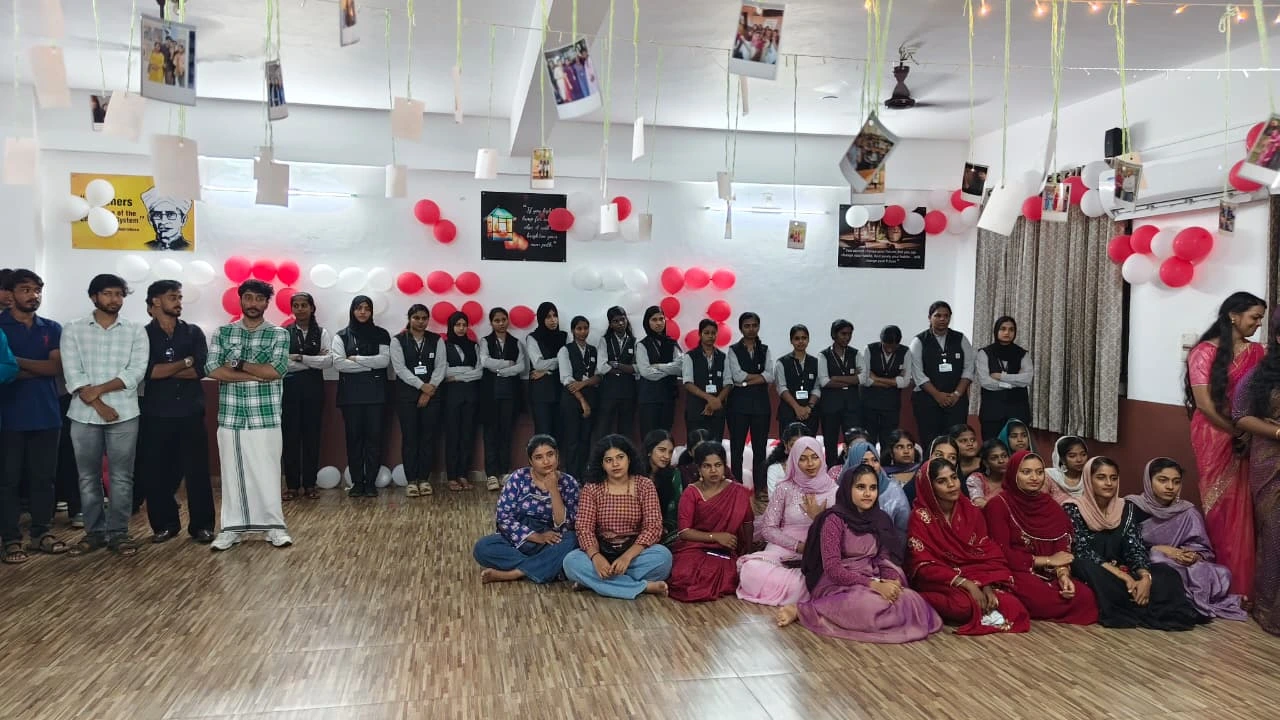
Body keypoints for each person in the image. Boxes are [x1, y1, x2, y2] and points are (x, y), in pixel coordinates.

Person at [776, 464, 941, 643]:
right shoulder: (833, 520)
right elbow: (832, 569)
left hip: (872, 577)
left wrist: (891, 581)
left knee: (910, 599)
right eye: (861, 487)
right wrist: (873, 585)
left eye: (873, 488)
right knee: (870, 604)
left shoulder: (880, 519)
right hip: (837, 583)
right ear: (848, 488)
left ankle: (879, 616)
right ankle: (804, 610)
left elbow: (883, 559)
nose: (868, 494)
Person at [1183, 291, 1266, 598]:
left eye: (1261, 318)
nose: (1258, 324)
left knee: (1248, 506)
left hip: (1250, 434)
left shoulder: (1258, 352)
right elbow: (1204, 404)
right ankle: (1219, 583)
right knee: (1222, 505)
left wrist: (1250, 430)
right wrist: (1236, 431)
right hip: (1214, 434)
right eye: (1254, 317)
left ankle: (1245, 586)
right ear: (1233, 315)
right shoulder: (1203, 352)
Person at [61, 274, 148, 557]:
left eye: (119, 294)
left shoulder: (135, 330)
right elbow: (72, 373)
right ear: (94, 296)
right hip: (83, 415)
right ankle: (94, 533)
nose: (115, 299)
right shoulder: (73, 329)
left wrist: (98, 390)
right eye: (108, 293)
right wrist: (100, 405)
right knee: (88, 478)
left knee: (122, 477)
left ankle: (119, 533)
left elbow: (135, 372)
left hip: (125, 413)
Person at [1063, 457, 1204, 630]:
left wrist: (1145, 577)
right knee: (1084, 565)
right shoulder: (1073, 508)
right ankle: (1132, 608)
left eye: (1113, 478)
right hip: (1096, 568)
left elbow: (1134, 546)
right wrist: (1124, 576)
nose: (1109, 483)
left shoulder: (1125, 507)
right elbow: (1082, 550)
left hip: (1123, 567)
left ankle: (1151, 608)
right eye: (1101, 477)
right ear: (1088, 479)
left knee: (1166, 572)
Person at [205, 280, 292, 551]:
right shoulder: (223, 332)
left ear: (267, 303)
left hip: (265, 415)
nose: (253, 304)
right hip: (231, 416)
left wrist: (238, 365)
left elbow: (275, 371)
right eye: (249, 298)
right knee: (232, 474)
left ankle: (274, 528)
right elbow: (212, 368)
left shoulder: (279, 334)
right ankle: (231, 529)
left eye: (259, 299)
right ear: (240, 300)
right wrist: (255, 374)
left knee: (268, 472)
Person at [906, 458, 1031, 634]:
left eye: (954, 477)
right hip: (940, 580)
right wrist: (967, 584)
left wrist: (986, 585)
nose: (951, 485)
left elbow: (986, 552)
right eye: (942, 481)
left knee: (1011, 605)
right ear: (929, 487)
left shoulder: (971, 511)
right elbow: (923, 565)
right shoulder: (920, 517)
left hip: (976, 574)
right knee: (962, 606)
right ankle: (914, 599)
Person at [982, 451, 1099, 625]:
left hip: (1050, 573)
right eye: (1026, 472)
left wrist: (1063, 575)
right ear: (1013, 474)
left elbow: (1062, 547)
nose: (1034, 478)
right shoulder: (998, 505)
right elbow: (1001, 553)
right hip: (1016, 570)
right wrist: (1047, 560)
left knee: (1085, 596)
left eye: (1039, 472)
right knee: (1039, 598)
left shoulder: (1050, 505)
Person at [138, 280, 215, 544]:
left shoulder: (193, 332)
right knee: (157, 472)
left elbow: (201, 369)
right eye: (173, 297)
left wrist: (166, 370)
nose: (179, 302)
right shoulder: (142, 336)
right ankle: (165, 525)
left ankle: (202, 526)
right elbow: (148, 372)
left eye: (180, 297)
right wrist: (185, 361)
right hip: (156, 413)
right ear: (155, 301)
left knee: (198, 472)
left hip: (191, 411)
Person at [1126, 458, 1247, 620]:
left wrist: (1192, 555)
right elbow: (1124, 544)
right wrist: (1160, 548)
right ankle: (1196, 601)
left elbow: (1202, 548)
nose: (1170, 487)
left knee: (1222, 573)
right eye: (1163, 480)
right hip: (1147, 561)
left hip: (1181, 563)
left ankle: (1193, 599)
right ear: (1149, 481)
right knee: (1158, 558)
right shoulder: (1131, 507)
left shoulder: (1188, 512)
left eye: (1176, 482)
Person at [0, 269, 65, 562]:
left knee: (44, 479)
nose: (33, 295)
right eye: (26, 289)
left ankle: (42, 533)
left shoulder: (51, 327)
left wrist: (12, 363)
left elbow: (55, 368)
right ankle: (11, 540)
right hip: (8, 416)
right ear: (10, 294)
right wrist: (31, 368)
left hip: (46, 414)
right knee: (8, 481)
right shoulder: (1, 327)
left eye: (38, 290)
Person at [561, 435, 672, 599]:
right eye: (609, 460)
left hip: (634, 553)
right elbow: (584, 528)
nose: (615, 464)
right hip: (602, 550)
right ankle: (643, 587)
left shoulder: (645, 485)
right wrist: (596, 557)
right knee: (571, 562)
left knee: (663, 557)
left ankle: (594, 582)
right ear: (602, 464)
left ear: (629, 459)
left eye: (620, 457)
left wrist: (627, 557)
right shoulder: (592, 488)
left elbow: (653, 527)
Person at [737, 437, 836, 606]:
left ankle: (802, 589)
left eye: (814, 457)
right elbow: (768, 528)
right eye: (803, 459)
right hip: (783, 547)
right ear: (794, 460)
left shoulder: (835, 490)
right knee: (751, 569)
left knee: (826, 575)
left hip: (819, 549)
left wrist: (817, 518)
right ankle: (806, 591)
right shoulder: (785, 488)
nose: (810, 463)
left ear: (822, 457)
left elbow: (840, 530)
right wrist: (798, 546)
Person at [473, 434, 580, 584]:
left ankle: (515, 573)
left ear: (557, 456)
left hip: (551, 541)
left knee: (573, 539)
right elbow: (503, 518)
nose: (546, 461)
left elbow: (567, 525)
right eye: (539, 457)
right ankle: (547, 567)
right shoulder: (518, 478)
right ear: (530, 461)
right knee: (483, 548)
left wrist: (554, 490)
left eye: (550, 455)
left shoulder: (569, 483)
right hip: (521, 539)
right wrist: (537, 537)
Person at [1233, 324, 1280, 633]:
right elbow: (1240, 414)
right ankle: (1270, 612)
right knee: (1276, 536)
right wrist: (1277, 432)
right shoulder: (1261, 374)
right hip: (1271, 463)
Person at [668, 442, 755, 602]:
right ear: (699, 468)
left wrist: (748, 552)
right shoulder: (691, 492)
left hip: (725, 549)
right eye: (707, 466)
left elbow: (747, 523)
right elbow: (684, 532)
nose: (713, 470)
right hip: (694, 546)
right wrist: (715, 537)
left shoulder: (738, 491)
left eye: (718, 465)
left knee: (723, 574)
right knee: (684, 574)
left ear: (724, 466)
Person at [331, 295, 391, 498]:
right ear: (352, 311)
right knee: (354, 439)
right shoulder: (341, 336)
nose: (363, 312)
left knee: (374, 439)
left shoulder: (381, 334)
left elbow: (384, 361)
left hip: (376, 396)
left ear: (372, 311)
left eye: (367, 308)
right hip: (351, 397)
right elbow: (339, 364)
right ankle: (357, 482)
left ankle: (371, 482)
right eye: (359, 308)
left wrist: (356, 359)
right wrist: (370, 366)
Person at [390, 304, 445, 498]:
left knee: (428, 438)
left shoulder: (436, 340)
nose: (421, 322)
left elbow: (441, 366)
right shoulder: (398, 340)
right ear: (409, 318)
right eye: (416, 318)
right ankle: (411, 480)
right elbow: (400, 369)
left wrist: (429, 390)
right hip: (406, 396)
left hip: (432, 395)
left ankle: (424, 479)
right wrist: (422, 386)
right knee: (410, 438)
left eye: (424, 318)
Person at [282, 292, 332, 500]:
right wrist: (312, 361)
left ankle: (310, 484)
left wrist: (300, 358)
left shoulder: (322, 332)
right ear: (292, 309)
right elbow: (282, 363)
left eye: (304, 305)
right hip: (290, 392)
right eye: (296, 305)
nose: (300, 309)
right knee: (290, 438)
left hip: (314, 392)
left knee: (312, 438)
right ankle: (292, 485)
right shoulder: (284, 333)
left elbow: (328, 361)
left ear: (312, 308)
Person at [908, 301, 975, 447]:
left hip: (955, 400)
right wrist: (937, 395)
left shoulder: (961, 339)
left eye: (946, 316)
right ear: (929, 318)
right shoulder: (919, 341)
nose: (942, 319)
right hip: (928, 401)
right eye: (938, 315)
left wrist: (957, 394)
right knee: (931, 442)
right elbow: (917, 373)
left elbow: (969, 368)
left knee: (956, 442)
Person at [726, 312, 773, 498]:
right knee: (737, 449)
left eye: (754, 325)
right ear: (741, 328)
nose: (751, 329)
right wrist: (758, 377)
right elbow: (737, 376)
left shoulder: (765, 349)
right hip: (738, 406)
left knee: (760, 450)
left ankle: (760, 488)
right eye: (747, 326)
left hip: (761, 406)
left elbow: (770, 375)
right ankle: (736, 488)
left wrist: (746, 382)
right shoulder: (733, 350)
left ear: (758, 327)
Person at [479, 307, 526, 491]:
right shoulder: (485, 341)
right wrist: (507, 365)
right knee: (490, 434)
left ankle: (504, 472)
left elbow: (521, 366)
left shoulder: (516, 342)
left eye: (503, 319)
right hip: (490, 395)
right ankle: (491, 474)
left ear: (508, 321)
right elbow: (485, 362)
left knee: (506, 434)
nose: (501, 323)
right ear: (491, 323)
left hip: (510, 394)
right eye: (497, 320)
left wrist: (499, 370)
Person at [442, 312, 484, 491]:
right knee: (453, 436)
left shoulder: (473, 346)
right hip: (451, 396)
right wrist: (467, 371)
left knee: (467, 436)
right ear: (451, 326)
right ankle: (452, 476)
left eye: (464, 325)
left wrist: (458, 375)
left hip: (471, 396)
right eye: (457, 325)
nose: (461, 328)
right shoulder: (444, 346)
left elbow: (479, 372)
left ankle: (463, 474)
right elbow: (444, 372)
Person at [976, 316, 1035, 440]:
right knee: (992, 447)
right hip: (992, 412)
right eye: (1003, 329)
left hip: (1018, 410)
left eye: (1011, 329)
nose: (1007, 332)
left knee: (1017, 447)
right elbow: (985, 381)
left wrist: (1001, 376)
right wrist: (1013, 383)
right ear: (996, 330)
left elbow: (1027, 379)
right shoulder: (984, 353)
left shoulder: (1022, 354)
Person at [558, 316, 600, 480]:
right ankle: (572, 477)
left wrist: (583, 383)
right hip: (571, 400)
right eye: (579, 329)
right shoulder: (565, 350)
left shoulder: (593, 350)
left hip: (591, 398)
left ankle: (584, 476)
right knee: (572, 441)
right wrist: (582, 401)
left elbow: (598, 376)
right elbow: (566, 379)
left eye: (585, 328)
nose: (583, 332)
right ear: (572, 330)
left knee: (585, 439)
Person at [818, 319, 864, 467]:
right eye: (843, 334)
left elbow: (862, 379)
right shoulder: (823, 355)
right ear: (834, 334)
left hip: (852, 406)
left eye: (849, 334)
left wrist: (836, 378)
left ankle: (853, 470)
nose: (847, 337)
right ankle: (831, 471)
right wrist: (851, 380)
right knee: (830, 442)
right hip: (830, 406)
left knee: (854, 441)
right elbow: (824, 381)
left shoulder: (856, 354)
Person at [844, 440, 911, 534]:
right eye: (864, 461)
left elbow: (903, 529)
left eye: (875, 460)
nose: (871, 465)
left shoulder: (893, 491)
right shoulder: (843, 492)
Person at [862, 326, 912, 449]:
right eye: (887, 345)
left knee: (888, 440)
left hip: (891, 404)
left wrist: (876, 378)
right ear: (881, 341)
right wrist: (894, 381)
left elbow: (905, 382)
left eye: (894, 346)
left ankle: (886, 461)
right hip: (869, 403)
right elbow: (865, 379)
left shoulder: (905, 352)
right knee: (869, 439)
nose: (890, 349)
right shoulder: (869, 349)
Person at [681, 320, 731, 443]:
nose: (710, 336)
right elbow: (688, 383)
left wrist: (717, 401)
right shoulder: (690, 356)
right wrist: (710, 399)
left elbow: (728, 383)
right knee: (696, 446)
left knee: (715, 446)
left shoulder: (723, 357)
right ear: (700, 334)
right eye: (706, 333)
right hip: (696, 410)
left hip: (717, 411)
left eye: (713, 333)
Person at [636, 306, 682, 437]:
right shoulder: (642, 345)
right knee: (649, 437)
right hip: (649, 398)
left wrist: (659, 366)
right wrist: (670, 369)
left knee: (665, 436)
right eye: (654, 319)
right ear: (647, 322)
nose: (659, 323)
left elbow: (681, 368)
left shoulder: (672, 343)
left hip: (668, 396)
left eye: (661, 319)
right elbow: (646, 372)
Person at [775, 324, 827, 437]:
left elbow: (817, 387)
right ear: (791, 341)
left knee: (808, 444)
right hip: (789, 412)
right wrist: (797, 408)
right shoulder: (782, 362)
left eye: (804, 338)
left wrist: (809, 407)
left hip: (810, 413)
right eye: (797, 338)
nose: (801, 341)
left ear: (808, 339)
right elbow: (781, 388)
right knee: (789, 444)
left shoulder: (816, 362)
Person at [594, 307, 637, 442]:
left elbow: (637, 368)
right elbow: (602, 367)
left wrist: (616, 365)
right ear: (610, 324)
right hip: (608, 392)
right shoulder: (604, 340)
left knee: (626, 431)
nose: (620, 323)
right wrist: (626, 369)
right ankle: (600, 455)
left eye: (623, 319)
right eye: (616, 321)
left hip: (628, 392)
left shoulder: (634, 341)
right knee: (603, 429)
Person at [526, 302, 566, 439]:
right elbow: (538, 364)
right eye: (548, 317)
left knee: (560, 432)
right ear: (541, 319)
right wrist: (560, 361)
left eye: (555, 315)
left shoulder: (564, 336)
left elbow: (570, 361)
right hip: (541, 393)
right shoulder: (533, 338)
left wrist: (546, 371)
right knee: (543, 433)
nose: (553, 320)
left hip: (561, 391)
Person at [638, 429, 681, 546]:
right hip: (635, 530)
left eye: (670, 452)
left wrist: (664, 528)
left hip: (663, 530)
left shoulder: (673, 475)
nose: (667, 456)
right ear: (649, 450)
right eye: (662, 450)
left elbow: (674, 511)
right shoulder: (634, 475)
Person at [763, 422, 808, 495]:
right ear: (786, 446)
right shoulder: (774, 470)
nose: (798, 449)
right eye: (793, 445)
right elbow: (774, 499)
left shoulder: (815, 468)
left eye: (802, 445)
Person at [966, 438, 1009, 508]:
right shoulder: (976, 479)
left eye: (1004, 456)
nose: (1001, 461)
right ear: (986, 463)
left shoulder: (1014, 478)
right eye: (994, 458)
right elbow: (978, 503)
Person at [1046, 436, 1089, 503]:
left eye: (1083, 454)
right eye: (1072, 456)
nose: (1079, 460)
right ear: (1062, 459)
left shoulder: (1090, 477)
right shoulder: (1050, 476)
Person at [882, 429, 922, 497]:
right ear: (891, 453)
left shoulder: (921, 472)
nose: (906, 451)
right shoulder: (884, 475)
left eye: (910, 447)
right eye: (900, 447)